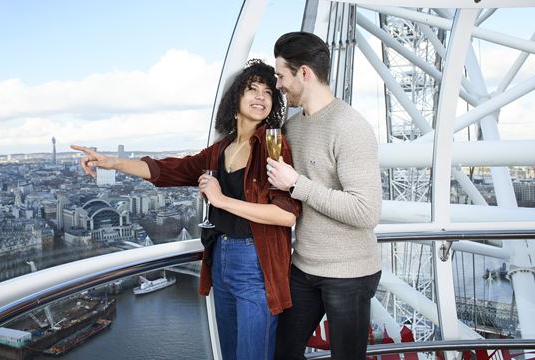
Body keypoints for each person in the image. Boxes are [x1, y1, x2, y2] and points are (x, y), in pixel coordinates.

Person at [71, 59, 301, 360]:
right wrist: (113, 162)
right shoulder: (219, 151)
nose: (261, 96)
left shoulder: (274, 146)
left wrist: (220, 200)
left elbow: (286, 215)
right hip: (220, 259)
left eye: (268, 92)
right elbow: (170, 170)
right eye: (252, 89)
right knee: (232, 353)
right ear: (236, 99)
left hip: (256, 262)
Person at [266, 32, 382, 360]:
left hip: (349, 274)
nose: (277, 86)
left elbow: (366, 210)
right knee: (282, 353)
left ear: (304, 73)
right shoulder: (292, 127)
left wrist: (297, 184)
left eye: (280, 76)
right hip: (303, 266)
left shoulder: (350, 127)